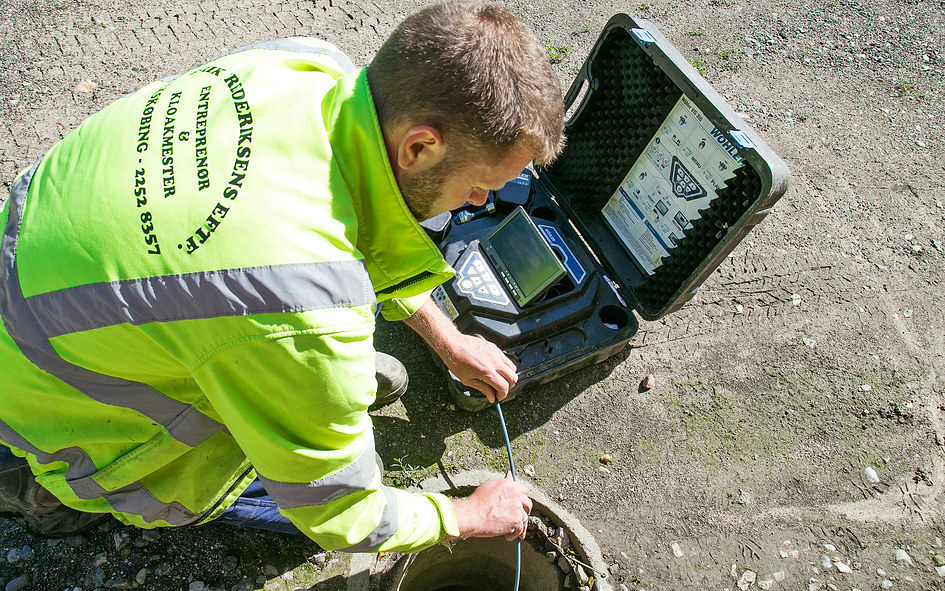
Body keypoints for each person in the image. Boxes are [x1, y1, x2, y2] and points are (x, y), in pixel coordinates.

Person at [0, 1, 564, 552]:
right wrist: (462, 514)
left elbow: (369, 223)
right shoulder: (302, 308)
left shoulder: (304, 67)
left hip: (35, 270)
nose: (480, 202)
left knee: (314, 375)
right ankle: (41, 491)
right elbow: (345, 513)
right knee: (281, 495)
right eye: (484, 183)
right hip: (55, 398)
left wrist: (447, 338)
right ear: (420, 146)